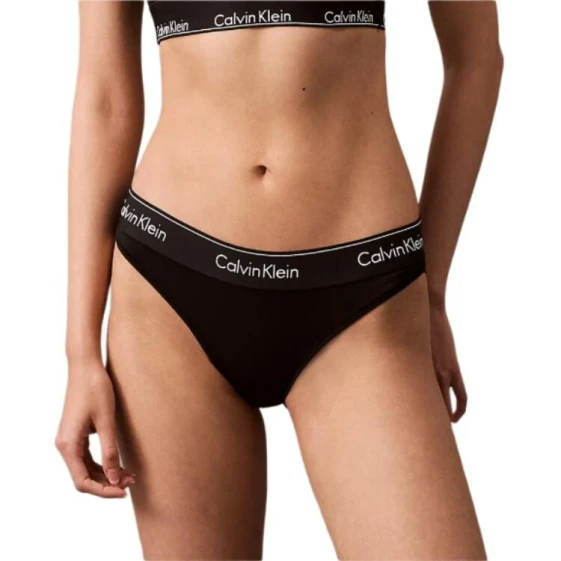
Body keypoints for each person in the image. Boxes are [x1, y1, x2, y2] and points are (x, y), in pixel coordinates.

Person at [56, 1, 503, 559]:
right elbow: (105, 96)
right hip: (169, 295)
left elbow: (475, 59)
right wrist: (80, 351)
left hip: (363, 296)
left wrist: (430, 292)